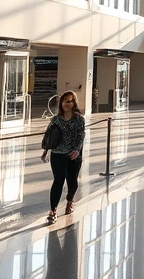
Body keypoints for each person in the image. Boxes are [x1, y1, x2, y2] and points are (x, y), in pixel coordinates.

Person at [40, 90, 85, 224]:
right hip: (58, 155)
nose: (66, 104)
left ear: (74, 103)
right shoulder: (56, 119)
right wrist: (45, 150)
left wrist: (77, 150)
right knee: (58, 181)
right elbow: (48, 135)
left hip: (73, 156)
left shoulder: (79, 119)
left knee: (72, 182)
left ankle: (70, 201)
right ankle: (53, 211)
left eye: (70, 101)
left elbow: (81, 136)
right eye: (64, 101)